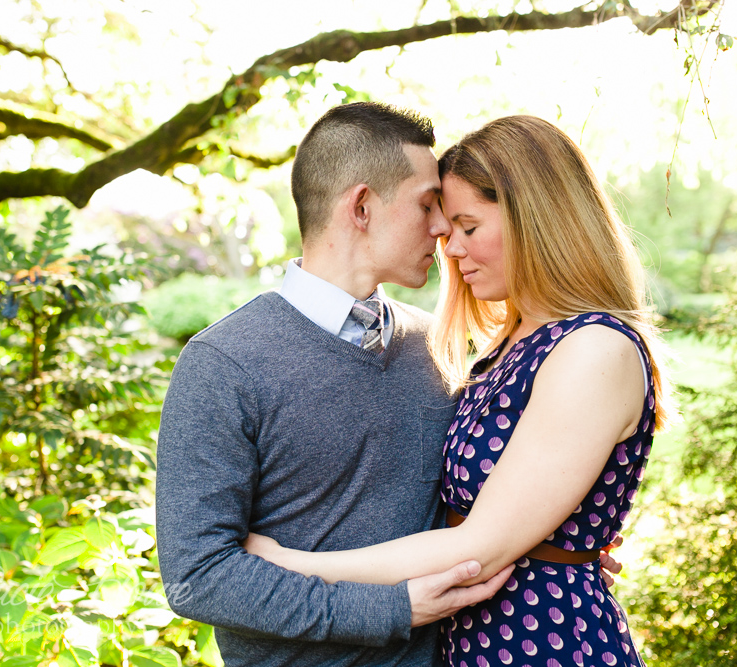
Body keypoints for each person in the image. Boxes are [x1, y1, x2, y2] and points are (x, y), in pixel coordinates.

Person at [242, 115, 675, 667]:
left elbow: (478, 547)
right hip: (474, 639)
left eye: (469, 227)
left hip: (545, 641)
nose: (451, 248)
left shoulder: (594, 348)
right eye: (449, 229)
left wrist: (292, 562)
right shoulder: (509, 344)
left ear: (537, 218)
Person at [155, 102, 514, 667]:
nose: (444, 228)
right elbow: (198, 576)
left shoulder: (436, 347)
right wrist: (388, 610)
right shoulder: (222, 364)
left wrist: (560, 548)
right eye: (427, 205)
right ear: (363, 206)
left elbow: (478, 501)